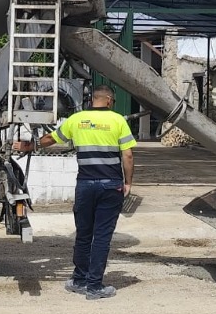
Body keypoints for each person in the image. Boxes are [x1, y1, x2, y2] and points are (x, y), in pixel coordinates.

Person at [15, 86, 135, 300]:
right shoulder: (118, 121)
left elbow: (50, 139)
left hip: (85, 185)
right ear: (108, 100)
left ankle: (79, 280)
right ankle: (94, 286)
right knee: (102, 237)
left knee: (84, 234)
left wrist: (28, 146)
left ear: (93, 100)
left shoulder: (77, 120)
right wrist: (128, 183)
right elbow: (128, 155)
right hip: (110, 185)